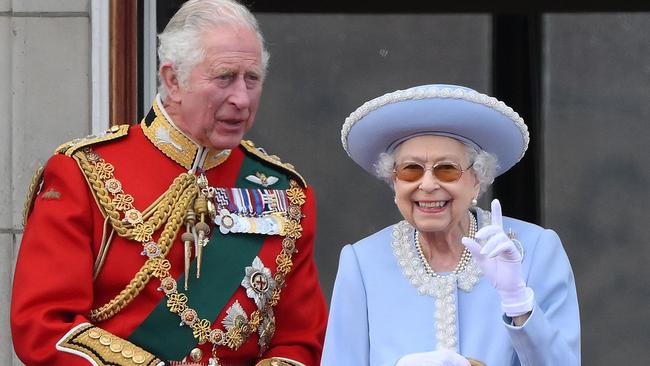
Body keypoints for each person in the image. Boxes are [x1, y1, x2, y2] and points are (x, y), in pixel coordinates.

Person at [11, 1, 327, 365]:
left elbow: (301, 342)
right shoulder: (85, 172)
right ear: (173, 79)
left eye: (251, 79)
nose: (241, 98)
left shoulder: (284, 193)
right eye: (225, 77)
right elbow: (45, 325)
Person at [322, 84, 580, 365]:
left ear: (477, 180)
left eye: (447, 169)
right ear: (394, 182)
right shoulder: (362, 263)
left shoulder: (536, 250)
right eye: (411, 170)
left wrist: (518, 302)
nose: (429, 184)